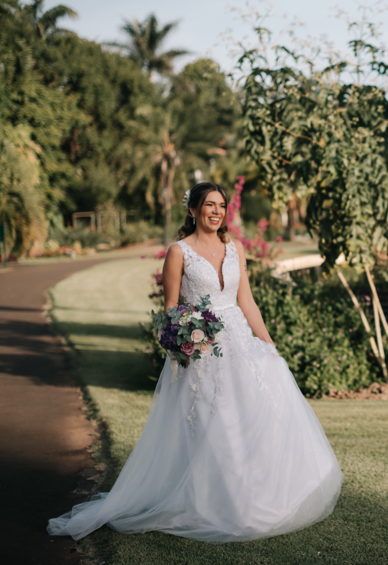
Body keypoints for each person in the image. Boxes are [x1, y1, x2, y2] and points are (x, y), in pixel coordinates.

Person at [47, 182, 342, 543]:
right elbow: (171, 310)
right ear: (193, 210)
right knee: (214, 427)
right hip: (202, 355)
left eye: (221, 206)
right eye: (209, 205)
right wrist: (185, 340)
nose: (216, 212)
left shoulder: (235, 249)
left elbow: (246, 301)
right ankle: (216, 505)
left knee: (251, 418)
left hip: (239, 345)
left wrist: (269, 345)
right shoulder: (179, 252)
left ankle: (253, 497)